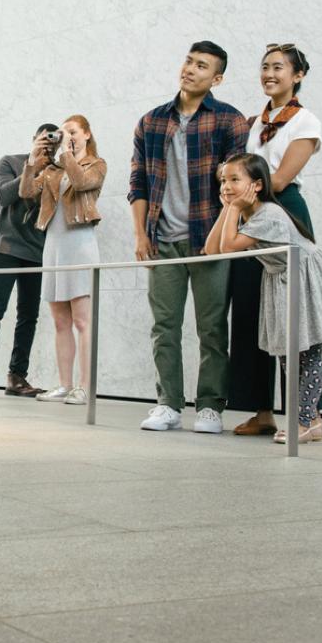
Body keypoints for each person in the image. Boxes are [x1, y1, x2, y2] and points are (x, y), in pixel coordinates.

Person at [129, 42, 249, 433]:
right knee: (164, 326)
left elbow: (234, 190)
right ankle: (168, 403)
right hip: (162, 239)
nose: (190, 70)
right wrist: (140, 234)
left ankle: (211, 406)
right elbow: (138, 183)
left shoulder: (230, 121)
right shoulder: (151, 122)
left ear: (216, 78)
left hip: (209, 240)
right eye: (188, 61)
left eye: (201, 66)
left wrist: (224, 236)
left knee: (212, 326)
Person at [205, 153, 322, 445]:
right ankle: (312, 421)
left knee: (307, 350)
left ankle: (303, 420)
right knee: (287, 351)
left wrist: (232, 209)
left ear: (256, 185)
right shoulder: (249, 213)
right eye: (223, 180)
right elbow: (211, 249)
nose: (226, 186)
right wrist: (228, 208)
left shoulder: (268, 214)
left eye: (234, 180)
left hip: (305, 274)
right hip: (282, 277)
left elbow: (228, 247)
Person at [229, 43, 322, 436]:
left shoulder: (306, 122)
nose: (269, 73)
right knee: (252, 312)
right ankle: (262, 410)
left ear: (297, 75)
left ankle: (308, 416)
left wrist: (243, 191)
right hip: (252, 212)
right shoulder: (255, 123)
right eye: (265, 67)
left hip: (283, 212)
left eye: (279, 68)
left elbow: (281, 178)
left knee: (294, 319)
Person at [20, 115, 106, 406]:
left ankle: (85, 386)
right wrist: (33, 160)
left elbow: (82, 184)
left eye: (72, 131)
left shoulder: (96, 164)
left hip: (80, 246)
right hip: (53, 247)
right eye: (63, 131)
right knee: (60, 321)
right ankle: (64, 384)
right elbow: (26, 192)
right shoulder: (54, 170)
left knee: (82, 321)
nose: (66, 135)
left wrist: (68, 155)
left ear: (86, 134)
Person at [0, 124, 57, 398]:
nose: (49, 143)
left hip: (36, 251)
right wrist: (31, 163)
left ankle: (17, 377)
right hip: (5, 248)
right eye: (44, 138)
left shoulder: (57, 171)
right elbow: (2, 195)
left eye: (54, 140)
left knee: (28, 316)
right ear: (34, 139)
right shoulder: (10, 162)